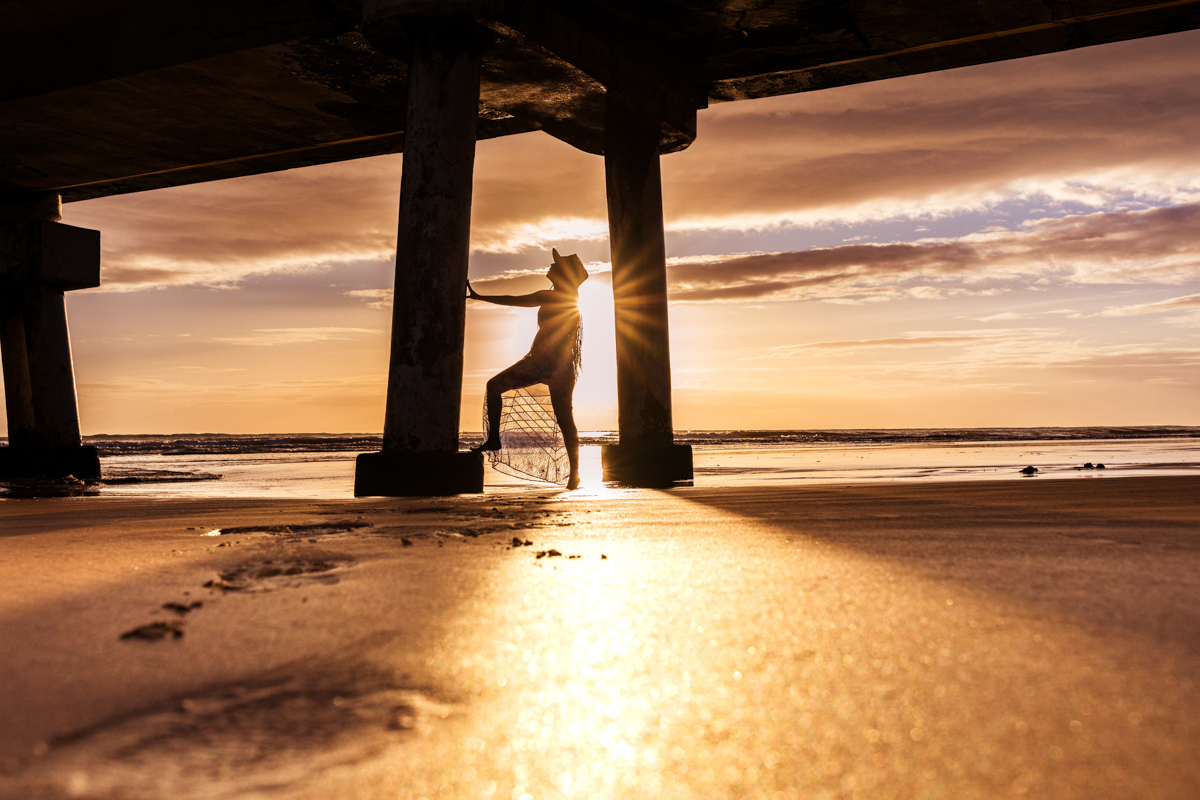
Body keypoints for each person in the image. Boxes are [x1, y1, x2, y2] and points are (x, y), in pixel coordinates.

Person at [467, 249, 587, 490]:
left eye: (556, 266)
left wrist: (479, 297)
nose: (551, 267)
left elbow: (514, 299)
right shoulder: (569, 297)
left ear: (563, 274)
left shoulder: (554, 296)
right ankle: (574, 474)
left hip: (545, 362)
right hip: (561, 365)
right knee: (565, 418)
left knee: (494, 386)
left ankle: (493, 440)